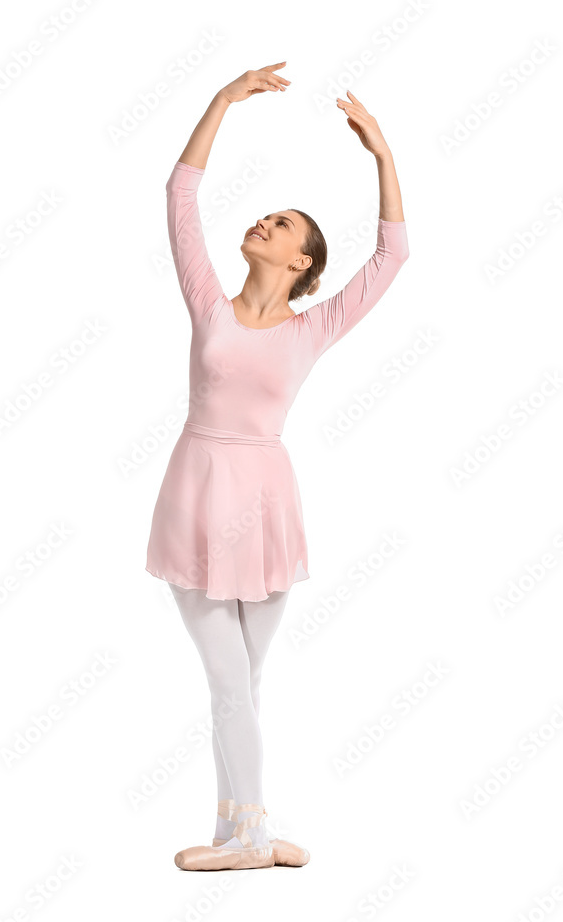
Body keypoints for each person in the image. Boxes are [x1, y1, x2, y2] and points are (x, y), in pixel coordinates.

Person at [145, 62, 410, 870]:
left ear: (300, 264)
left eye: (283, 224)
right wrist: (220, 101)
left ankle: (239, 828)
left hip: (264, 500)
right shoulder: (209, 302)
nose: (264, 221)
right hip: (197, 489)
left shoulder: (314, 327)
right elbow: (180, 196)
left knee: (243, 687)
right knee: (229, 682)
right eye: (267, 214)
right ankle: (250, 833)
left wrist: (381, 153)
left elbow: (392, 256)